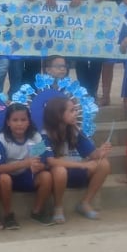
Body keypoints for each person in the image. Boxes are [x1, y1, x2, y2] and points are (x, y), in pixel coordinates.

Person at [42, 96, 111, 224]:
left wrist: (101, 152)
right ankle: (58, 206)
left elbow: (92, 154)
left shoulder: (75, 131)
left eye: (75, 110)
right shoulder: (43, 135)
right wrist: (82, 165)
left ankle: (85, 203)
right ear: (58, 115)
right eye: (72, 110)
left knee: (103, 164)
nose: (76, 113)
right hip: (56, 177)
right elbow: (50, 161)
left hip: (75, 171)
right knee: (60, 170)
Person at [0, 102, 53, 228]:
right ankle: (8, 215)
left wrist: (39, 166)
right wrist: (25, 163)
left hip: (26, 175)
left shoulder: (35, 137)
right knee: (4, 178)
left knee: (46, 176)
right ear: (8, 122)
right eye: (15, 120)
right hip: (6, 177)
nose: (19, 123)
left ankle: (36, 212)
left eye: (23, 120)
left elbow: (44, 162)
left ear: (28, 122)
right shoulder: (1, 139)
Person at [71, 0, 110, 97]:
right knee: (80, 56)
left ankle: (92, 91)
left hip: (100, 21)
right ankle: (84, 90)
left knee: (96, 57)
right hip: (81, 21)